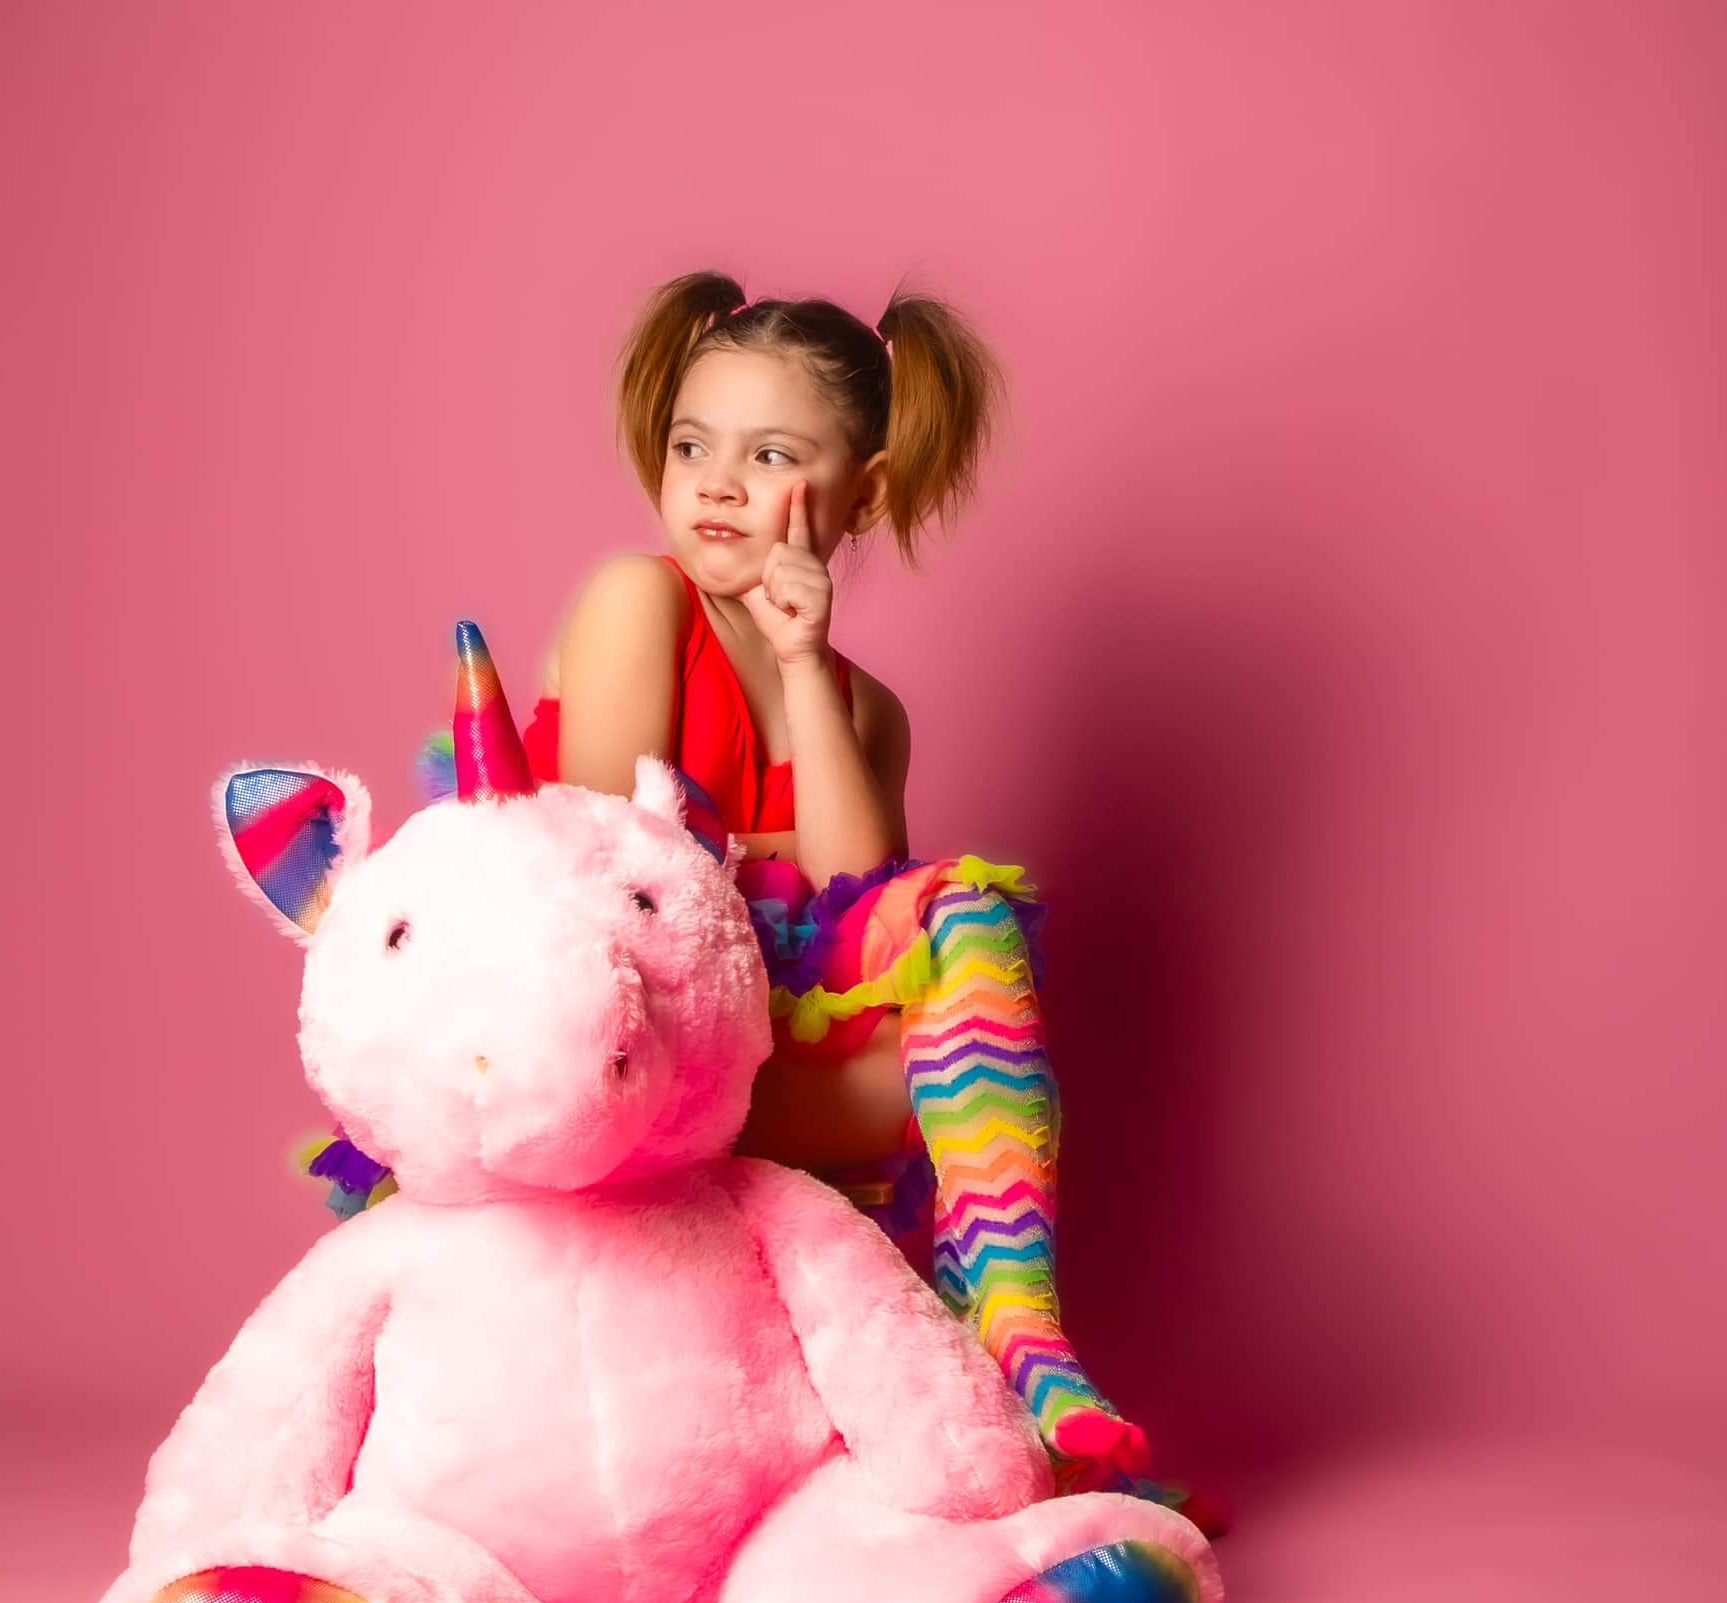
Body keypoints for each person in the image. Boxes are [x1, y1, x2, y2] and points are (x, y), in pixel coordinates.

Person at [336, 270, 1218, 1533]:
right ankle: (999, 1362)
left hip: (765, 1059)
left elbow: (862, 905)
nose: (714, 482)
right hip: (617, 1054)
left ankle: (1022, 1336)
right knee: (910, 1004)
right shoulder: (640, 603)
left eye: (771, 455)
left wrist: (804, 665)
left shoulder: (865, 711)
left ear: (862, 484)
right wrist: (768, 852)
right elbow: (591, 883)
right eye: (693, 444)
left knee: (961, 913)